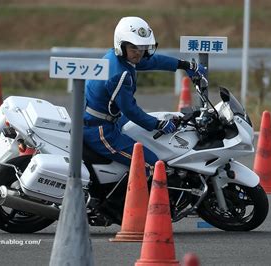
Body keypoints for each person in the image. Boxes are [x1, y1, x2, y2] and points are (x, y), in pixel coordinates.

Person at [83, 16, 205, 178]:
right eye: (135, 48)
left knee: (148, 138)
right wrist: (158, 124)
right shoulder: (119, 74)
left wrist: (184, 65)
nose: (139, 53)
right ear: (122, 45)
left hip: (108, 119)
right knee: (154, 165)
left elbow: (153, 61)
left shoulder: (119, 57)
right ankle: (128, 202)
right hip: (100, 131)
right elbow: (131, 110)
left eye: (143, 48)